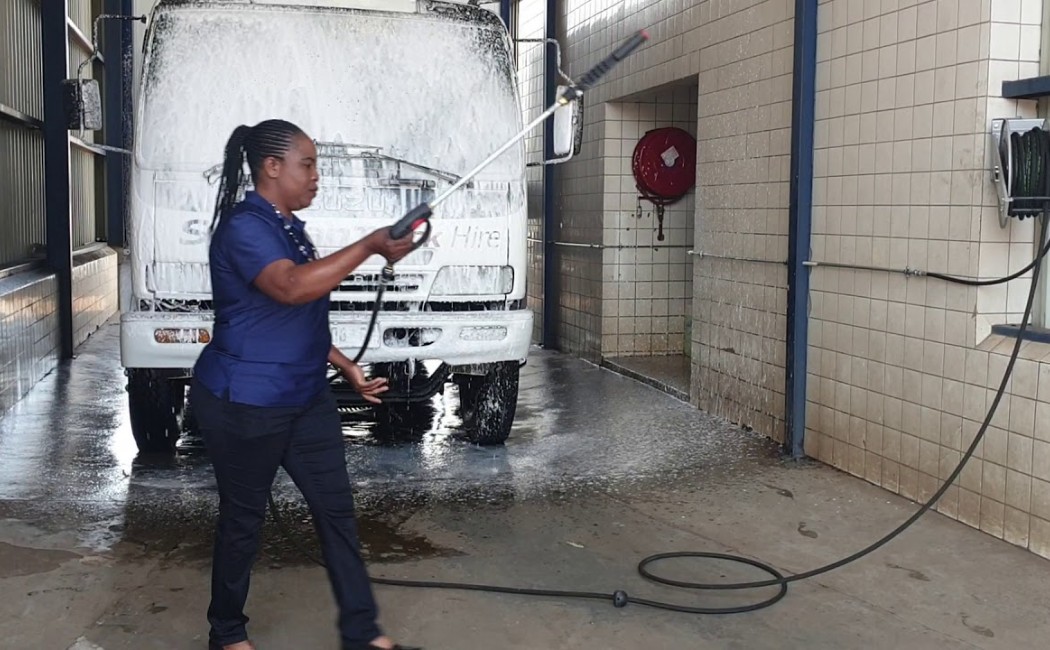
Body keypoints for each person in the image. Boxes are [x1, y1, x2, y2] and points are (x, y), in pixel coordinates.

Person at [188, 118, 420, 650]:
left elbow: (295, 317)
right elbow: (290, 289)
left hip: (304, 395)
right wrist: (368, 246)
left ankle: (364, 634)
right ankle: (226, 634)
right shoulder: (244, 227)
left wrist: (343, 364)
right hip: (245, 401)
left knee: (336, 511)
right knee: (243, 522)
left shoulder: (290, 226)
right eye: (308, 164)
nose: (317, 176)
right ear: (272, 167)